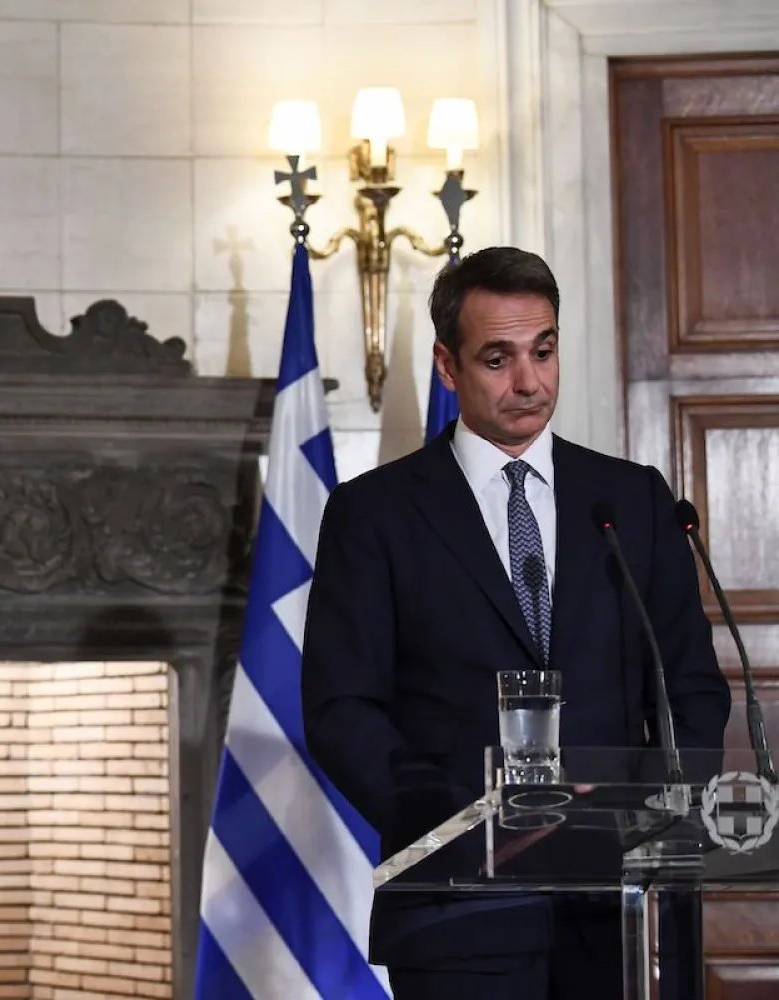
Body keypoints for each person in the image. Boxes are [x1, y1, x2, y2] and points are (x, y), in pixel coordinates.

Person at [300, 246, 730, 999]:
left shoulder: (632, 500)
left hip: (613, 908)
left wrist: (656, 810)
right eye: (498, 359)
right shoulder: (374, 513)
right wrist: (464, 822)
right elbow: (342, 709)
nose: (528, 381)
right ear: (448, 366)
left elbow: (690, 686)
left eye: (544, 351)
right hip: (455, 907)